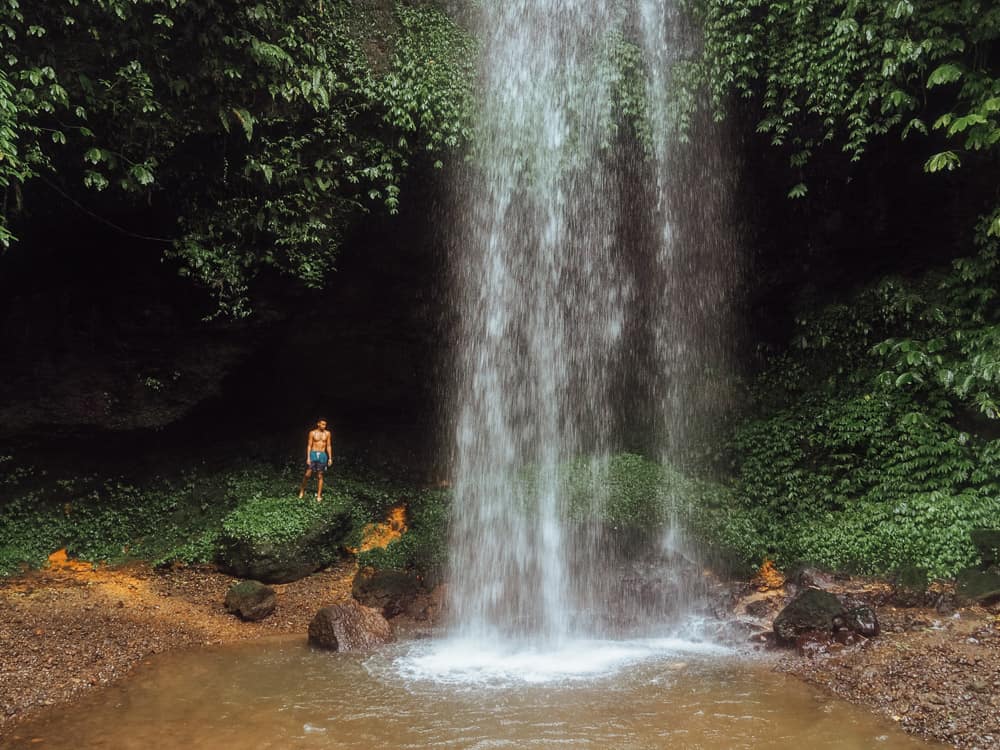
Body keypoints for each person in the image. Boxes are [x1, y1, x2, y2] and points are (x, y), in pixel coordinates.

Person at [299, 419, 332, 501]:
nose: (324, 426)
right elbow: (309, 445)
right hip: (313, 454)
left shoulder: (327, 433)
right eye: (322, 424)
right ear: (318, 424)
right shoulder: (312, 433)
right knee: (307, 474)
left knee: (320, 475)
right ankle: (302, 490)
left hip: (322, 455)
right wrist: (308, 457)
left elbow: (328, 446)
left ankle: (319, 495)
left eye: (325, 424)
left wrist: (330, 458)